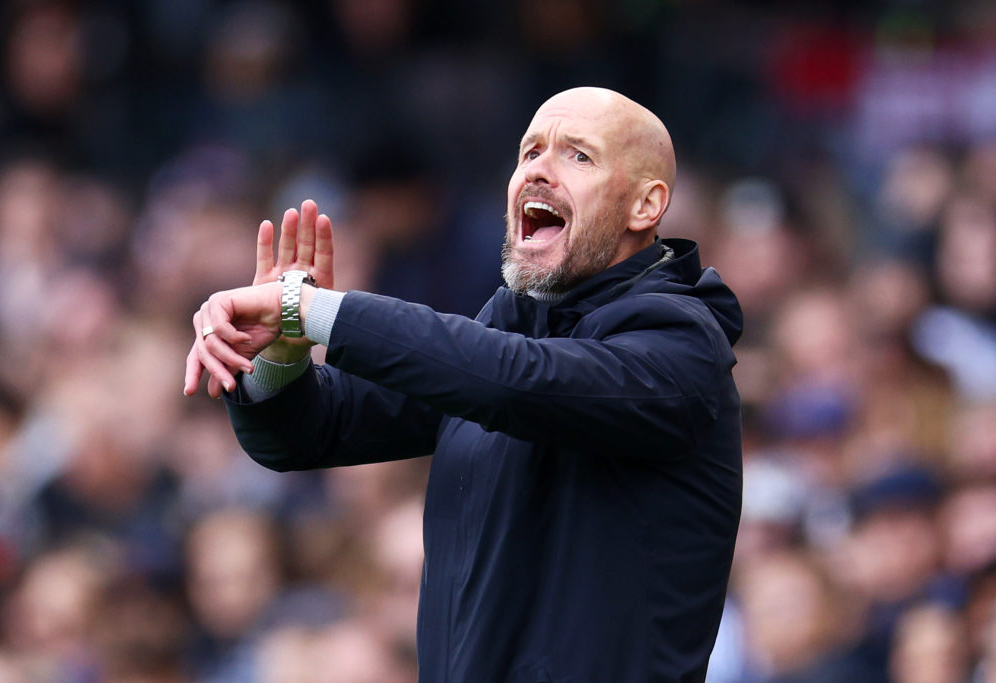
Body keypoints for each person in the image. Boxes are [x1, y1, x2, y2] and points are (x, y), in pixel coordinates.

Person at [185, 87, 743, 681]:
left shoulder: (682, 341)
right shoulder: (503, 328)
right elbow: (309, 433)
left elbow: (519, 382)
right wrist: (281, 356)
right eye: (529, 153)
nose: (538, 172)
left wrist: (314, 310)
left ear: (645, 205)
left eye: (578, 155)